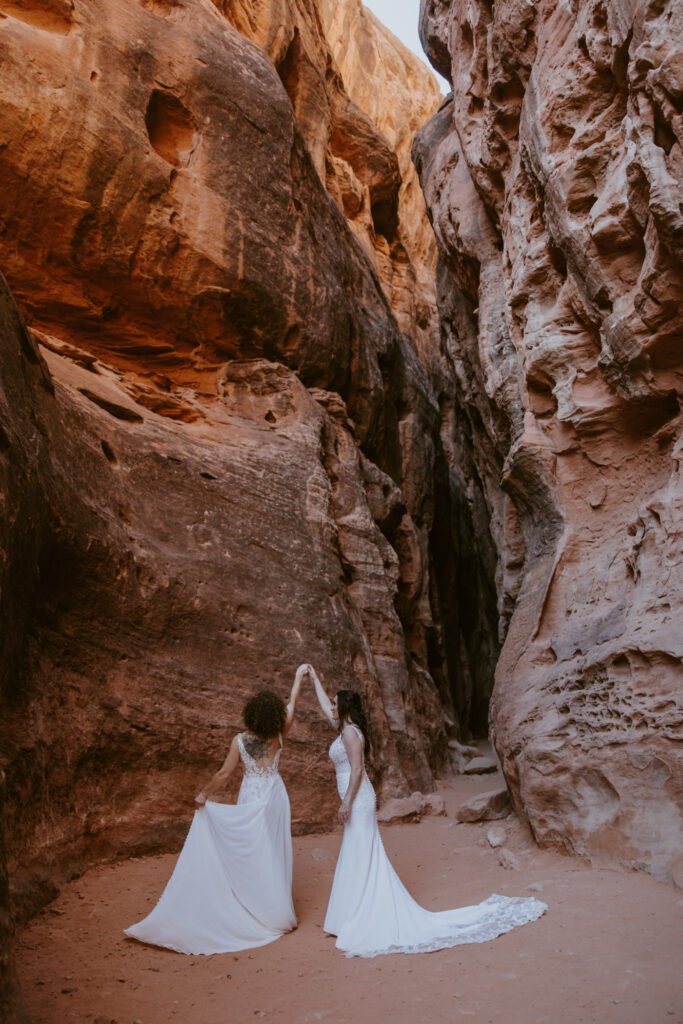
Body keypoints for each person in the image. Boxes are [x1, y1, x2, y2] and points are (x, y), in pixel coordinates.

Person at [308, 665, 547, 957]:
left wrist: (346, 801)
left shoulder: (349, 733)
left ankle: (363, 915)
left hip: (358, 799)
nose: (330, 706)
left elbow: (358, 769)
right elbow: (323, 707)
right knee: (357, 852)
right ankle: (350, 914)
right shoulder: (343, 728)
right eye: (331, 702)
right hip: (354, 798)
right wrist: (311, 676)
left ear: (343, 707)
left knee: (361, 851)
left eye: (334, 703)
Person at [124, 666, 307, 954]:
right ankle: (275, 908)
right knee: (272, 849)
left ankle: (250, 902)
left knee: (251, 849)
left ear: (251, 715)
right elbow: (292, 703)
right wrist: (298, 677)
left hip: (252, 796)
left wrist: (203, 794)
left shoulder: (240, 741)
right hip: (274, 796)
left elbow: (224, 774)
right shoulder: (279, 735)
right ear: (274, 716)